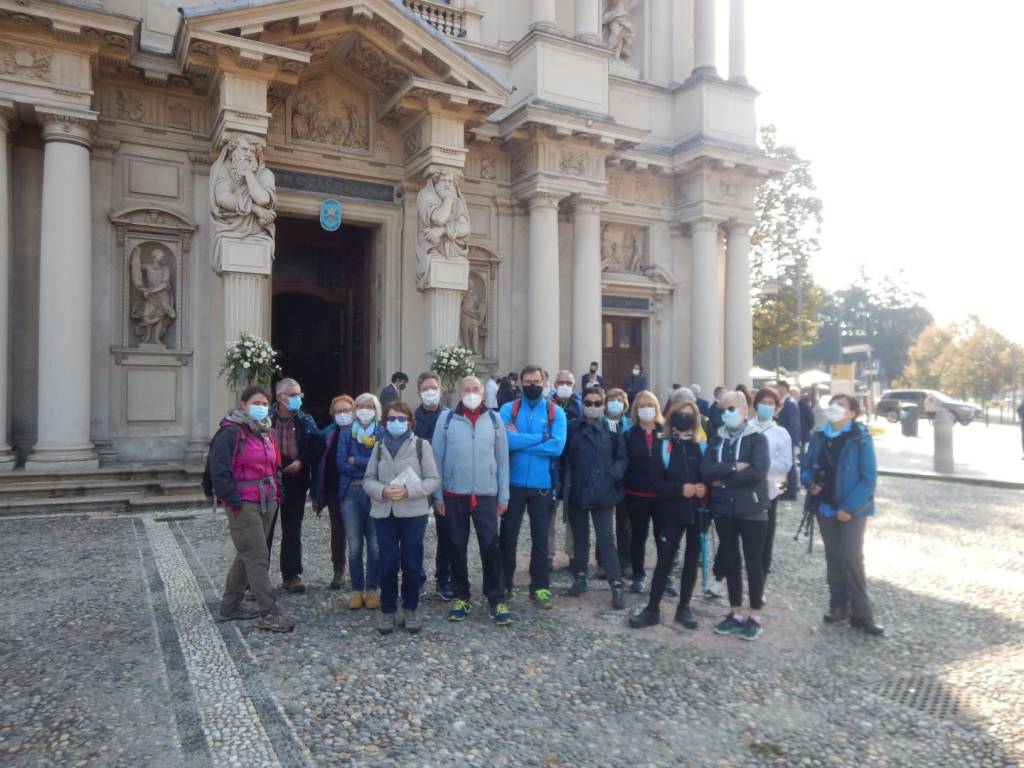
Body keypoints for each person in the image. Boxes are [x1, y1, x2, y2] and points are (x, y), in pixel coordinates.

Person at [210, 385, 293, 633]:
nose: (261, 407)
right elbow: (219, 469)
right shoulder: (231, 432)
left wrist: (278, 491)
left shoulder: (264, 432)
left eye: (265, 403)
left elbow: (274, 465)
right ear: (243, 405)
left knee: (247, 553)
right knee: (257, 556)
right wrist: (233, 500)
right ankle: (268, 611)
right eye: (256, 402)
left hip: (267, 500)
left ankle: (230, 605)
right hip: (244, 502)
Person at [432, 376, 512, 626]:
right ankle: (460, 595)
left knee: (490, 548)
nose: (471, 393)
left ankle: (496, 597)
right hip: (453, 494)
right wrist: (437, 495)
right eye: (466, 389)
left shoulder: (495, 420)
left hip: (486, 494)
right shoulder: (445, 421)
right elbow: (436, 458)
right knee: (456, 546)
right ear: (458, 392)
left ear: (483, 391)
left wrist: (504, 495)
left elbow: (503, 461)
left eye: (475, 389)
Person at [803, 394, 883, 636]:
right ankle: (838, 604)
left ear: (851, 413)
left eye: (842, 405)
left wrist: (848, 508)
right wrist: (809, 482)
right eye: (833, 403)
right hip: (824, 507)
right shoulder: (819, 435)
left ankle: (863, 613)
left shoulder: (860, 437)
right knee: (833, 556)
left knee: (851, 556)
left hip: (852, 509)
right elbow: (806, 466)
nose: (835, 407)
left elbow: (869, 478)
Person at [629, 399, 708, 629]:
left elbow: (709, 474)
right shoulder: (662, 445)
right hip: (671, 512)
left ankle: (684, 607)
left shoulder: (701, 445)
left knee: (691, 561)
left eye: (689, 414)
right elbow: (654, 483)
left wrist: (705, 488)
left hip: (697, 512)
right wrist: (679, 489)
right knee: (664, 561)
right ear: (672, 417)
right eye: (680, 413)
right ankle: (652, 608)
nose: (684, 417)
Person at [363, 401, 440, 635]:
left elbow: (432, 479)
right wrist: (382, 491)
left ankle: (411, 607)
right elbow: (368, 479)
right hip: (385, 513)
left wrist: (408, 491)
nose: (397, 423)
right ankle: (387, 609)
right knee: (387, 563)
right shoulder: (378, 448)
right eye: (392, 419)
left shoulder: (421, 446)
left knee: (411, 562)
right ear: (384, 422)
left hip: (412, 513)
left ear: (409, 421)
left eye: (401, 419)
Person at [701, 391, 771, 641]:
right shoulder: (717, 440)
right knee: (731, 562)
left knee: (754, 564)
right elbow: (706, 470)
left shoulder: (757, 439)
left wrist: (724, 481)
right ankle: (734, 612)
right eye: (723, 409)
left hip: (751, 509)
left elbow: (757, 472)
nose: (726, 413)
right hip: (724, 510)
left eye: (731, 408)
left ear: (743, 410)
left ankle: (755, 616)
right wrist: (732, 468)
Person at [499, 364, 568, 610]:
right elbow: (505, 440)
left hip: (542, 485)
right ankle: (504, 584)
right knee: (508, 538)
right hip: (513, 484)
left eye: (536, 381)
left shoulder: (555, 412)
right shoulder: (508, 409)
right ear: (520, 384)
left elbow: (557, 447)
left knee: (541, 540)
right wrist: (541, 438)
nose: (532, 385)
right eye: (527, 382)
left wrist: (520, 442)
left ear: (544, 382)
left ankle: (540, 587)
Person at [562, 387, 627, 609]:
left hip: (604, 492)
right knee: (580, 539)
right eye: (588, 402)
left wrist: (611, 476)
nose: (592, 406)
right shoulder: (572, 427)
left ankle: (616, 583)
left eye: (597, 403)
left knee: (606, 540)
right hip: (578, 491)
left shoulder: (612, 427)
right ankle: (580, 576)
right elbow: (564, 457)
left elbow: (622, 458)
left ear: (603, 405)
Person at [268, 377, 325, 594]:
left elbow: (318, 444)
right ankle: (255, 579)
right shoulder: (266, 418)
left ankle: (291, 575)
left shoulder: (305, 419)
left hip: (296, 481)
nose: (297, 399)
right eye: (293, 395)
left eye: (299, 395)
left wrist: (302, 461)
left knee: (292, 529)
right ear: (280, 397)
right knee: (265, 531)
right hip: (270, 482)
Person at [336, 393, 384, 610]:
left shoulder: (382, 432)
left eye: (369, 406)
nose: (365, 409)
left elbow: (382, 463)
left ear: (376, 409)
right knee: (354, 545)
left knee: (375, 546)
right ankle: (356, 590)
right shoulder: (347, 434)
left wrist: (358, 461)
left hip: (374, 494)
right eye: (361, 406)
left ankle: (372, 588)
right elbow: (341, 463)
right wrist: (367, 464)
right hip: (351, 492)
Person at [413, 372, 452, 600]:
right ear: (419, 392)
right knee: (415, 534)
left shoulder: (449, 417)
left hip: (444, 480)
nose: (430, 392)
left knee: (446, 533)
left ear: (441, 390)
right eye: (426, 388)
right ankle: (416, 578)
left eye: (433, 388)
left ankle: (444, 579)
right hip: (417, 481)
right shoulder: (410, 418)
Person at [750, 388, 793, 592]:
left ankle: (760, 584)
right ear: (756, 404)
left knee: (765, 541)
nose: (766, 406)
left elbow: (785, 463)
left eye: (771, 403)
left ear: (776, 408)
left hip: (768, 492)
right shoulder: (745, 427)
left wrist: (761, 469)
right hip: (744, 492)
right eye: (763, 402)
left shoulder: (781, 433)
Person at [622, 391, 664, 593]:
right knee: (638, 536)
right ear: (636, 410)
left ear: (656, 408)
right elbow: (625, 462)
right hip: (636, 494)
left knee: (663, 537)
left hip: (662, 495)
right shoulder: (628, 435)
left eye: (650, 405)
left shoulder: (666, 433)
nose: (646, 409)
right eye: (642, 406)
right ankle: (638, 573)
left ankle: (664, 575)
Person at [312, 395, 354, 591]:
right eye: (338, 411)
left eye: (346, 410)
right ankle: (339, 570)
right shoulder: (327, 435)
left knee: (363, 531)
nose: (343, 414)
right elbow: (319, 465)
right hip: (334, 489)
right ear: (332, 414)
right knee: (338, 531)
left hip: (356, 489)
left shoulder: (362, 433)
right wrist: (316, 492)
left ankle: (363, 571)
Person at [550, 370, 582, 570]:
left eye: (568, 382)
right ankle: (547, 556)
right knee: (548, 515)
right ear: (554, 384)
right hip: (552, 466)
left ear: (574, 385)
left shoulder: (581, 407)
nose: (564, 386)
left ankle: (574, 555)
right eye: (561, 382)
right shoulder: (547, 406)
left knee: (574, 516)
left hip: (574, 467)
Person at [603, 388, 633, 578]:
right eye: (612, 399)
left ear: (625, 404)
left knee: (624, 524)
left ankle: (625, 561)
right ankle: (603, 561)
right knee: (603, 525)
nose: (615, 402)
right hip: (605, 478)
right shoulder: (601, 423)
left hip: (626, 480)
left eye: (619, 399)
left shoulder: (630, 425)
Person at [776, 381, 802, 501]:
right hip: (787, 437)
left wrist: (788, 439)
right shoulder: (787, 402)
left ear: (784, 388)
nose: (777, 390)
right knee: (789, 463)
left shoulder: (790, 403)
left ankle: (792, 491)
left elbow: (793, 423)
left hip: (788, 438)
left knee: (790, 465)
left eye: (778, 388)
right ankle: (791, 488)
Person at [799, 386, 816, 465]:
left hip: (800, 431)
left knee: (801, 449)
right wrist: (809, 428)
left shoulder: (799, 403)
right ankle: (804, 463)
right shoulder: (805, 404)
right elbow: (811, 419)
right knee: (804, 449)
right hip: (804, 431)